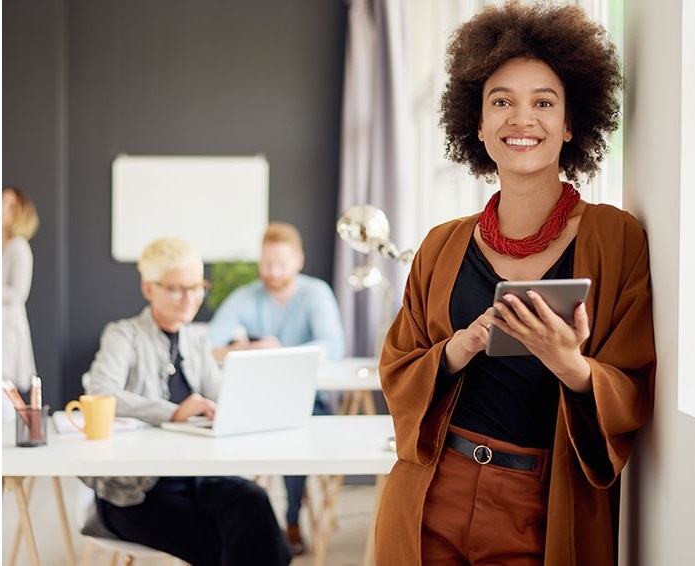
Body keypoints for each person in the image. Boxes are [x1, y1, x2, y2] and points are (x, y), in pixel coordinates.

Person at [374, 2, 656, 565]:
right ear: (477, 124)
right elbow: (398, 367)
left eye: (543, 103)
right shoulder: (440, 244)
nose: (521, 119)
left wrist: (570, 365)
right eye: (501, 101)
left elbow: (634, 384)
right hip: (432, 494)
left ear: (571, 123)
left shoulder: (615, 236)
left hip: (545, 504)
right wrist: (462, 345)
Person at [80, 236, 292, 566]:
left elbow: (222, 395)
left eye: (196, 287)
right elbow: (100, 394)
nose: (190, 298)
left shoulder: (194, 340)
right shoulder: (122, 334)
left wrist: (253, 401)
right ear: (149, 288)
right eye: (176, 288)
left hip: (196, 475)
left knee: (253, 502)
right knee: (221, 540)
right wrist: (174, 412)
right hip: (136, 492)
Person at [207, 221, 346, 556]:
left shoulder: (316, 294)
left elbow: (333, 346)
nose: (272, 271)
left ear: (298, 260)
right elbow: (208, 345)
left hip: (310, 400)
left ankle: (291, 521)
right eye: (266, 263)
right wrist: (243, 349)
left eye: (280, 263)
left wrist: (280, 351)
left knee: (297, 440)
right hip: (258, 399)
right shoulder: (246, 297)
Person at [2, 186, 40, 419]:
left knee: (3, 386)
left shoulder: (19, 247)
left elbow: (19, 292)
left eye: (10, 205)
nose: (2, 209)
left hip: (7, 328)